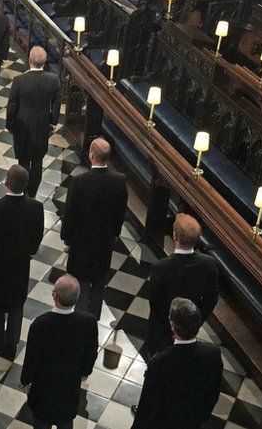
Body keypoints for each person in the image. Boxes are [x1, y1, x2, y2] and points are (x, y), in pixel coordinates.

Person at [0, 164, 43, 357]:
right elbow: (37, 235)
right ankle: (12, 344)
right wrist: (30, 252)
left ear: (6, 182)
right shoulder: (36, 208)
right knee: (16, 303)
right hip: (19, 266)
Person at [61, 138, 128, 320]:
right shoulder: (119, 181)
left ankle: (81, 319)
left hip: (81, 245)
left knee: (80, 282)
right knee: (98, 282)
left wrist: (66, 237)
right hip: (104, 244)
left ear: (91, 155)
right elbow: (120, 213)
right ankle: (92, 319)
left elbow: (70, 214)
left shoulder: (79, 182)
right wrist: (114, 234)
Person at [131, 298, 223, 429]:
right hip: (192, 421)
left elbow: (147, 406)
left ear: (172, 324)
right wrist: (201, 418)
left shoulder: (159, 363)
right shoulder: (213, 353)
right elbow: (213, 393)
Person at [21, 274, 98, 429]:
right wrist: (84, 371)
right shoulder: (88, 322)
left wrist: (25, 380)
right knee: (66, 422)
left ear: (54, 295)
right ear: (77, 297)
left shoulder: (40, 325)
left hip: (43, 391)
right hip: (69, 390)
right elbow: (91, 352)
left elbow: (32, 358)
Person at [144, 213, 219, 358]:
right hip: (189, 332)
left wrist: (171, 327)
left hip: (161, 332)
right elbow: (211, 299)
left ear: (175, 236)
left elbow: (155, 303)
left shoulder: (161, 267)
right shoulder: (209, 264)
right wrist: (193, 322)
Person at [7, 47, 61, 198]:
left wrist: (10, 125)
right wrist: (53, 122)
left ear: (29, 60)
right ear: (45, 62)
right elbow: (57, 102)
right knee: (37, 162)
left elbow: (12, 105)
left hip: (22, 127)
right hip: (41, 127)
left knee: (23, 161)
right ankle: (33, 194)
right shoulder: (53, 79)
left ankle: (22, 192)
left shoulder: (19, 81)